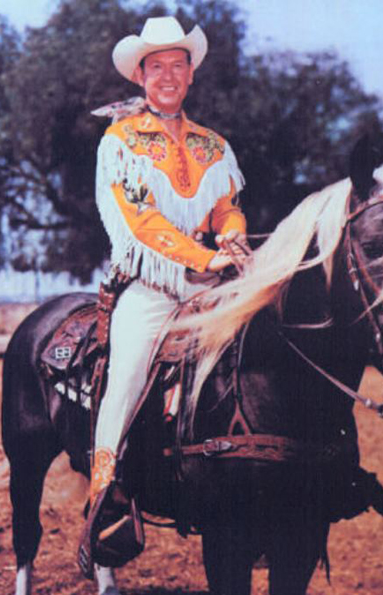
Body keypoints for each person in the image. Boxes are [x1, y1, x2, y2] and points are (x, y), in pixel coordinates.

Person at [89, 16, 247, 510]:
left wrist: (235, 237)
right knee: (130, 371)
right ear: (140, 76)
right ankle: (104, 493)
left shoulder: (214, 145)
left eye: (177, 65)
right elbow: (141, 220)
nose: (167, 75)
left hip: (211, 286)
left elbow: (228, 208)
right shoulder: (121, 141)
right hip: (151, 287)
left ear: (191, 73)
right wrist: (205, 257)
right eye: (156, 66)